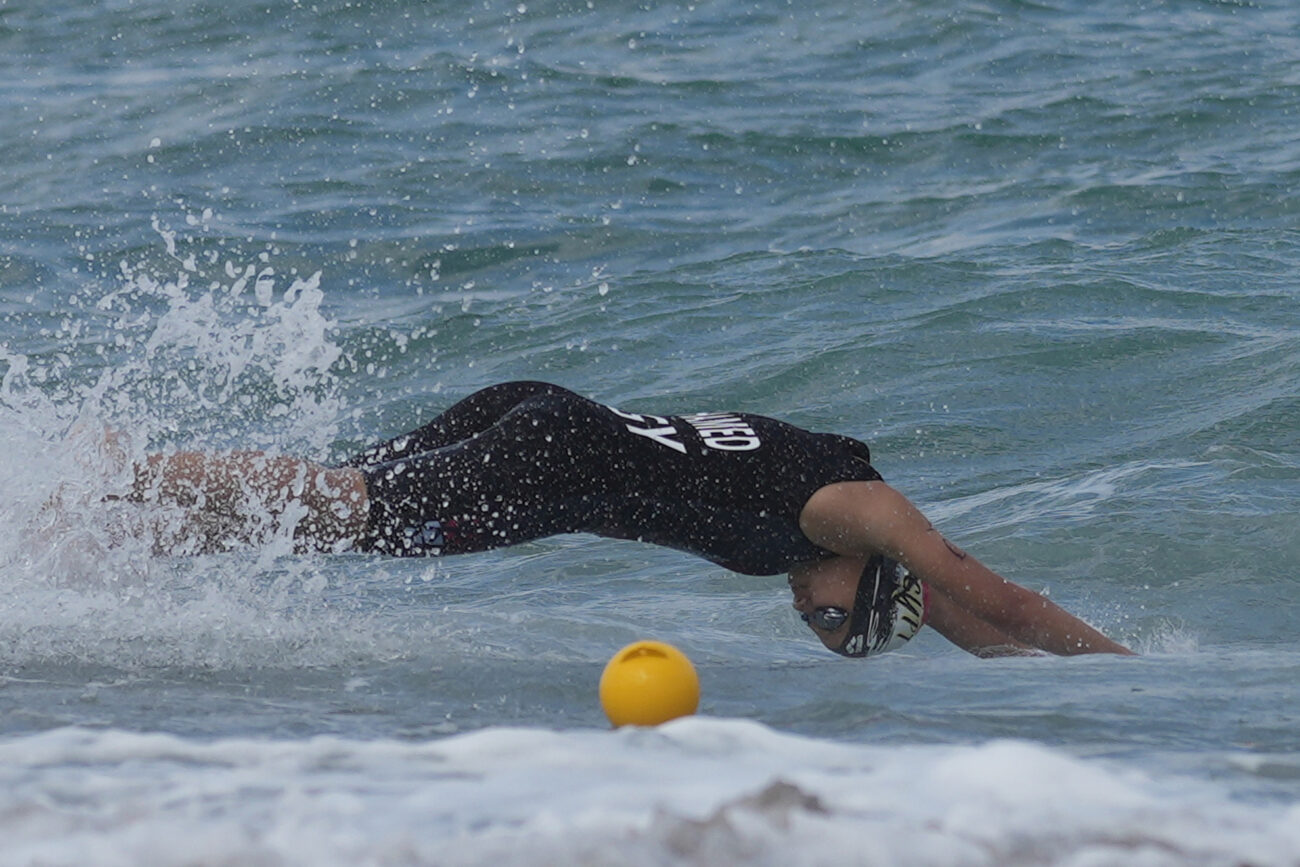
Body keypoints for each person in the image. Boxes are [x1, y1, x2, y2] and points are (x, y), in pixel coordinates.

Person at [128, 381, 1133, 658]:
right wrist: (1131, 667)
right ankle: (118, 475)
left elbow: (977, 628)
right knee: (342, 506)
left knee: (333, 517)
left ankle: (122, 519)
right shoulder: (852, 509)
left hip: (545, 431)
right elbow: (997, 595)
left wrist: (1077, 694)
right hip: (547, 462)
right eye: (829, 620)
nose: (808, 616)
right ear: (866, 571)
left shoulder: (841, 545)